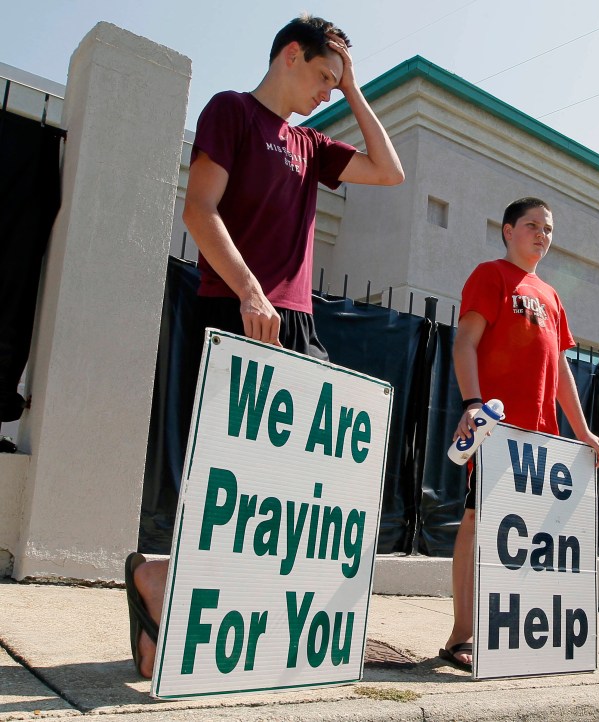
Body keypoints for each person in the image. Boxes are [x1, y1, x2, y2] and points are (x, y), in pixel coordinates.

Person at [124, 13, 404, 679]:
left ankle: (164, 582)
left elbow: (389, 172)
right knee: (230, 477)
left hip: (297, 323)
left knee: (305, 484)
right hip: (236, 310)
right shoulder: (232, 113)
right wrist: (249, 288)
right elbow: (199, 209)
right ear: (288, 56)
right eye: (323, 76)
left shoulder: (311, 145)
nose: (327, 93)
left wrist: (356, 87)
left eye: (336, 84)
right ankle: (168, 591)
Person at [439, 197, 599, 672]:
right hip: (497, 435)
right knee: (476, 523)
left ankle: (513, 634)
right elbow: (465, 343)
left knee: (531, 539)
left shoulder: (553, 298)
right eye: (532, 225)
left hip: (542, 444)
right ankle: (461, 636)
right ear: (508, 230)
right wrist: (473, 404)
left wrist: (583, 432)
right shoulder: (489, 275)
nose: (542, 234)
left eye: (548, 228)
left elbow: (559, 372)